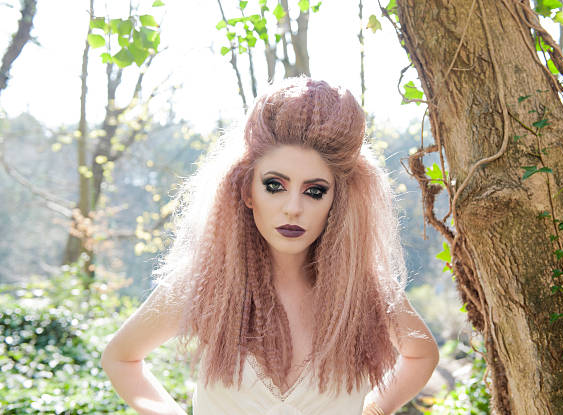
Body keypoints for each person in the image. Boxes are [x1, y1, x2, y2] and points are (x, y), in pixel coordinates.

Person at [101, 76, 439, 415]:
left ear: (337, 201)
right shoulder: (206, 284)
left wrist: (376, 409)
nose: (293, 207)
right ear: (247, 191)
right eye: (275, 186)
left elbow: (423, 354)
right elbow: (120, 358)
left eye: (315, 191)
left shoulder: (362, 291)